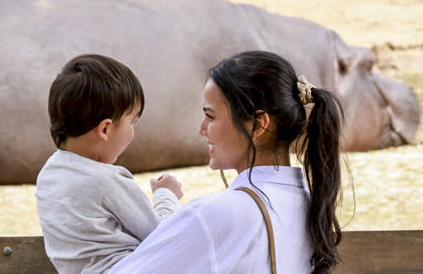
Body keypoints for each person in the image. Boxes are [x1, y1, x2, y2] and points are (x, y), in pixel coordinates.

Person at [109, 51, 344, 274]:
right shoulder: (306, 202)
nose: (201, 129)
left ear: (258, 125)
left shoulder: (220, 214)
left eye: (210, 116)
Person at [36, 54, 184, 274]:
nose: (133, 132)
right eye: (132, 121)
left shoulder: (48, 175)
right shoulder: (106, 181)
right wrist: (166, 195)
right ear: (105, 129)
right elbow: (162, 236)